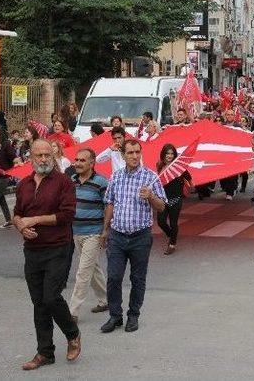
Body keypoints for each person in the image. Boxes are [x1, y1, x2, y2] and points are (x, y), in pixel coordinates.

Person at [13, 140, 80, 370]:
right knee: (39, 303)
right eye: (38, 155)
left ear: (53, 156)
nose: (43, 159)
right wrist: (22, 226)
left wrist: (36, 220)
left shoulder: (63, 183)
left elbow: (67, 215)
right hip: (32, 251)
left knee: (51, 297)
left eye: (47, 155)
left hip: (58, 247)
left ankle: (72, 334)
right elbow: (17, 214)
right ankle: (45, 353)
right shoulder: (24, 184)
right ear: (30, 157)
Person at [100, 139, 166, 333]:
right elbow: (110, 203)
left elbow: (162, 206)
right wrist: (105, 230)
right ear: (123, 155)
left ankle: (133, 315)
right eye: (130, 153)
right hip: (117, 236)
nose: (135, 156)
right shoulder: (116, 177)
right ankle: (115, 316)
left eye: (137, 152)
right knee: (113, 277)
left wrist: (151, 196)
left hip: (140, 237)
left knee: (138, 278)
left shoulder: (150, 177)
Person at [69, 148, 109, 322]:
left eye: (82, 160)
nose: (77, 163)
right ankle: (105, 300)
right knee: (93, 268)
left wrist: (105, 230)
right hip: (76, 231)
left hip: (93, 233)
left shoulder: (101, 182)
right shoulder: (72, 181)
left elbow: (108, 206)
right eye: (76, 160)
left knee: (83, 271)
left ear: (92, 163)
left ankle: (73, 311)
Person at [156, 144, 192, 255]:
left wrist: (190, 187)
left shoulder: (179, 166)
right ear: (164, 154)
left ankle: (172, 244)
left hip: (176, 198)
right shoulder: (159, 165)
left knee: (173, 222)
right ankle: (172, 235)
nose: (170, 156)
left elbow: (189, 178)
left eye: (172, 153)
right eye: (167, 153)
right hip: (163, 199)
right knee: (161, 222)